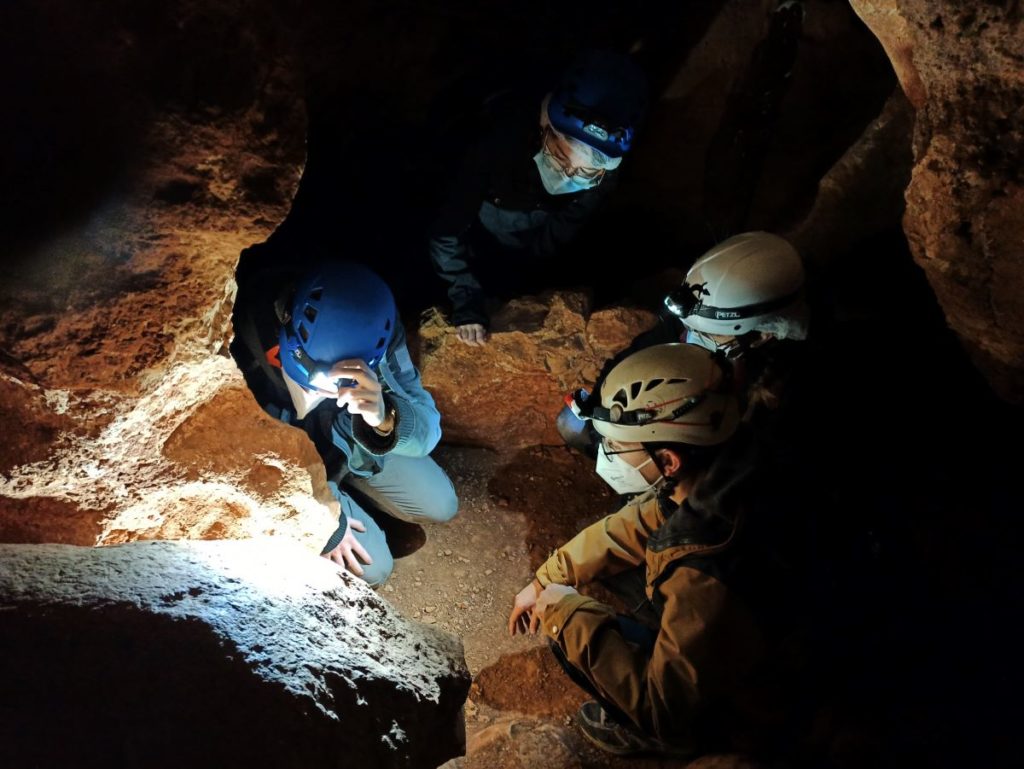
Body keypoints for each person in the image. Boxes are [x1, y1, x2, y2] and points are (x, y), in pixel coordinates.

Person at [509, 343, 805, 758]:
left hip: (771, 684)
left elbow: (665, 703)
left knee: (573, 636)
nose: (610, 452)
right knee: (612, 553)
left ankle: (688, 736)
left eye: (619, 446)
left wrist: (562, 611)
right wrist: (547, 577)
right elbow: (638, 522)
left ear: (667, 460)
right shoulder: (731, 461)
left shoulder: (707, 564)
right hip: (770, 615)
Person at [231, 258, 458, 586]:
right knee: (375, 567)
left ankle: (354, 479)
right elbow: (240, 458)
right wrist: (323, 521)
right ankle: (341, 496)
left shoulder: (375, 328)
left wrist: (383, 419)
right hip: (295, 463)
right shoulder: (246, 331)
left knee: (441, 504)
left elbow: (427, 428)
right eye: (326, 375)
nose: (335, 390)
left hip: (349, 439)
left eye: (348, 378)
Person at [428, 49, 649, 346]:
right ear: (545, 123)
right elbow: (446, 231)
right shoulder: (500, 141)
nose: (569, 175)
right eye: (560, 155)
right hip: (477, 232)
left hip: (527, 242)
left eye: (586, 171)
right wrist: (465, 296)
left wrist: (525, 277)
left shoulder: (604, 172)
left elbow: (567, 224)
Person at [557, 230, 809, 458]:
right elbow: (625, 361)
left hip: (698, 458)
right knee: (572, 423)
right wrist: (602, 422)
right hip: (660, 435)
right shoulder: (690, 318)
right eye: (690, 326)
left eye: (707, 333)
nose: (691, 334)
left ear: (761, 335)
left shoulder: (782, 386)